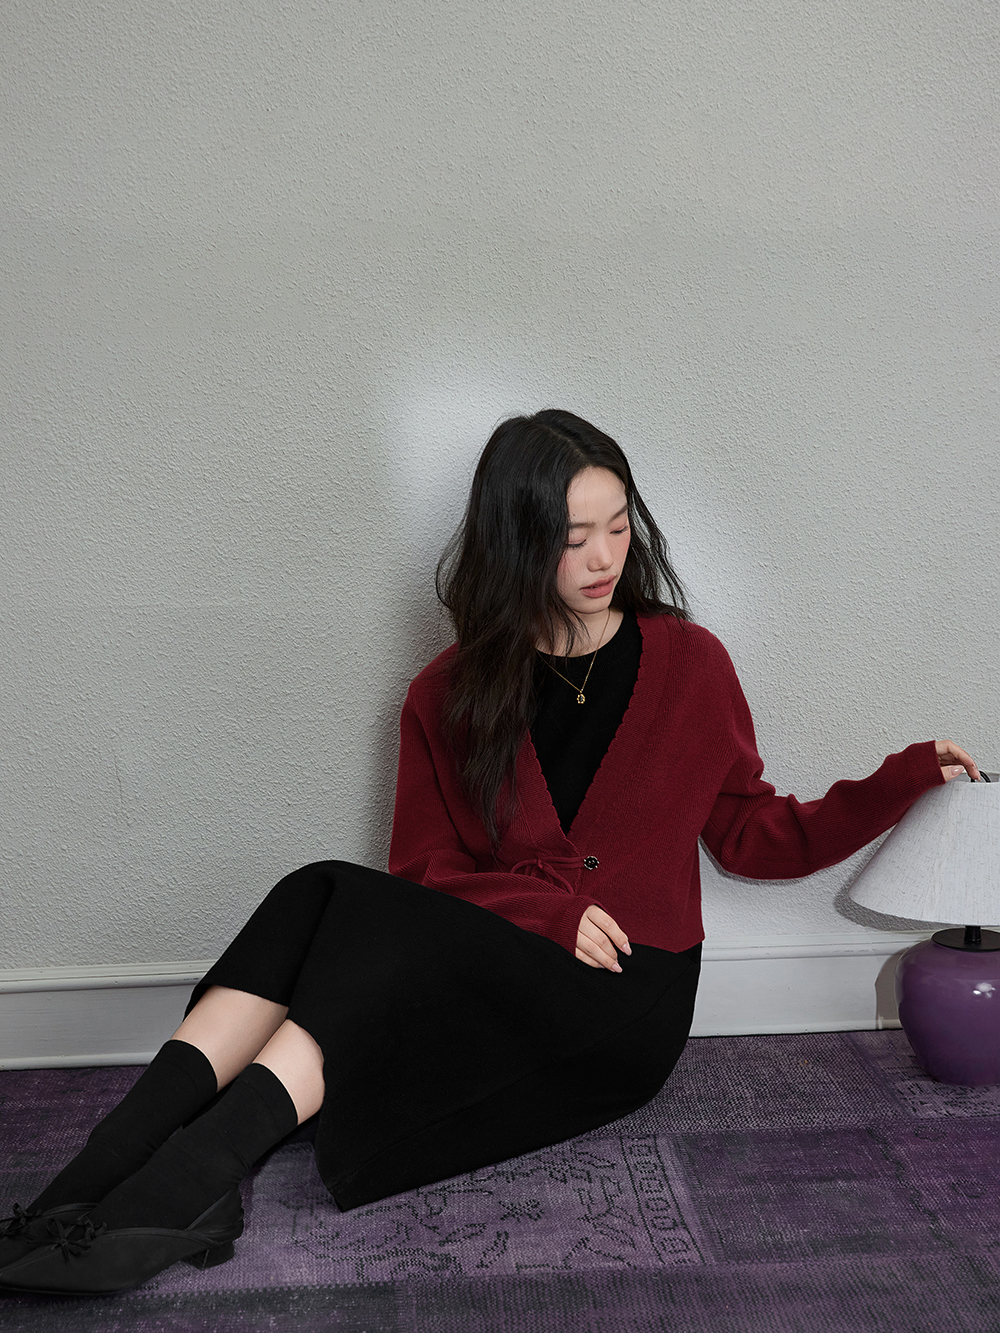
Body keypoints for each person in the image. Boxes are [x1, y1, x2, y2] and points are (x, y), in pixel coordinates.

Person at [0, 409, 979, 1296]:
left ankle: (185, 1173)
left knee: (335, 905)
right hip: (497, 972)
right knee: (320, 895)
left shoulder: (690, 663)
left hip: (625, 997)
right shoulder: (448, 692)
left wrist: (895, 782)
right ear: (517, 543)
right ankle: (110, 1169)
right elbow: (427, 876)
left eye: (617, 524)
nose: (602, 555)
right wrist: (546, 908)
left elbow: (753, 835)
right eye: (569, 536)